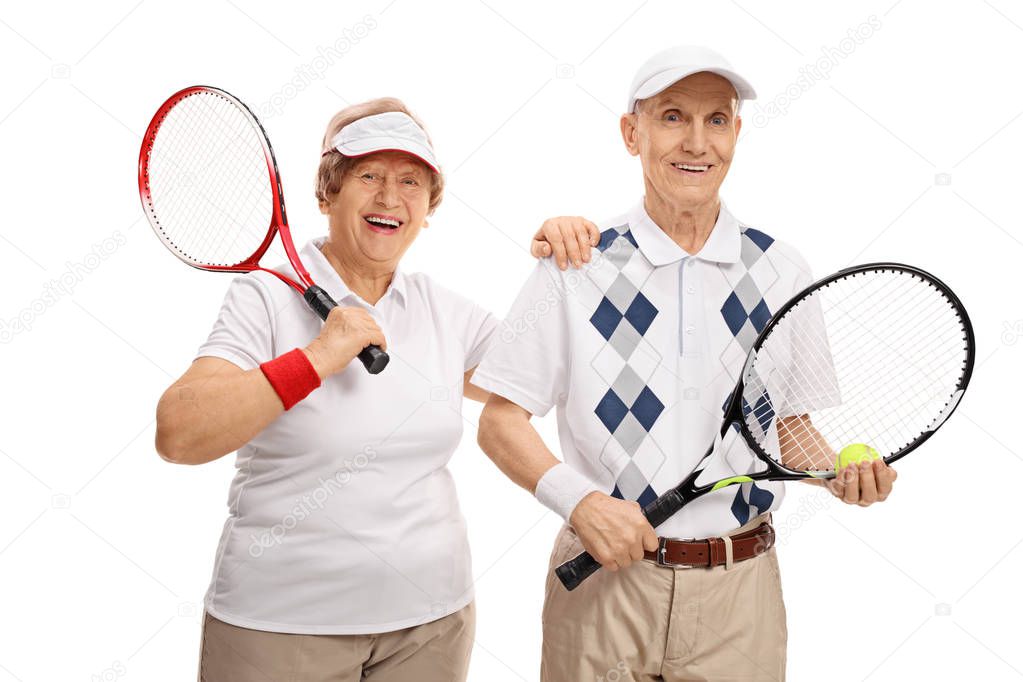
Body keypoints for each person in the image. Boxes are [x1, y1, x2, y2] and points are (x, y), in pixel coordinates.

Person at [473, 45, 898, 680]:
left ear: (736, 134)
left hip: (740, 597)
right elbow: (499, 422)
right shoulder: (575, 263)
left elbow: (787, 428)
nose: (696, 143)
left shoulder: (783, 270)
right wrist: (581, 503)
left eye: (717, 120)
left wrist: (840, 470)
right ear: (631, 132)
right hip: (603, 589)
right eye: (672, 117)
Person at [154, 97, 594, 682]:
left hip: (432, 626)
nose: (391, 197)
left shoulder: (443, 310)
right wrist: (316, 358)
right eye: (369, 175)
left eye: (411, 181)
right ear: (328, 192)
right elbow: (179, 433)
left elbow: (559, 372)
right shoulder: (264, 298)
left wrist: (568, 267)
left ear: (428, 207)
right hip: (281, 627)